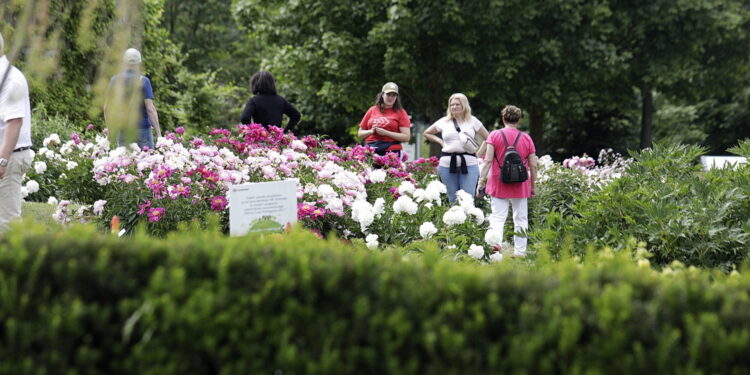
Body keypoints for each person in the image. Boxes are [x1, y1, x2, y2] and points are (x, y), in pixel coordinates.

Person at [477, 105, 538, 258]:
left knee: (498, 216)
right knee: (521, 218)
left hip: (499, 182)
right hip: (521, 183)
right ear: (518, 121)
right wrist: (533, 186)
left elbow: (488, 161)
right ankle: (520, 253)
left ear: (503, 118)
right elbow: (533, 165)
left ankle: (495, 247)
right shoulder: (526, 138)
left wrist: (481, 182)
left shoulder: (495, 135)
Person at [423, 93, 490, 202]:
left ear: (464, 106)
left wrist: (478, 154)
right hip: (447, 164)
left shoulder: (473, 121)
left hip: (469, 163)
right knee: (452, 199)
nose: (454, 107)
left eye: (457, 104)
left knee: (468, 198)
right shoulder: (444, 121)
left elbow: (489, 138)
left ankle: (467, 218)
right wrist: (440, 141)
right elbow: (427, 133)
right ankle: (455, 218)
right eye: (452, 105)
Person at [0, 32, 33, 232]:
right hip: (6, 156)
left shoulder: (10, 79)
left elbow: (14, 122)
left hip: (9, 157)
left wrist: (2, 161)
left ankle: (14, 262)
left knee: (6, 223)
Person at [104, 48, 161, 149]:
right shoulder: (144, 81)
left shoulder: (115, 80)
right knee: (148, 161)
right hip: (142, 129)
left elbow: (107, 108)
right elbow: (150, 109)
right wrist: (159, 135)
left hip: (123, 128)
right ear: (139, 62)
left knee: (124, 162)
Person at [358, 82, 411, 157]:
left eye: (394, 95)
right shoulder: (372, 109)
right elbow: (360, 134)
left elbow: (406, 137)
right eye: (388, 94)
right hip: (370, 149)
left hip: (391, 151)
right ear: (382, 95)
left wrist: (386, 133)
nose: (391, 98)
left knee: (389, 169)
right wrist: (371, 131)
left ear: (397, 97)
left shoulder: (401, 112)